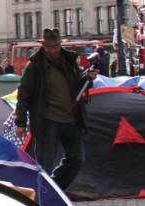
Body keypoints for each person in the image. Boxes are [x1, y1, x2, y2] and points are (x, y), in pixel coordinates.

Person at [15, 28, 96, 190]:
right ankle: (41, 194)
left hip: (71, 118)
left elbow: (77, 86)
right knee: (45, 163)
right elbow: (23, 95)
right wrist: (21, 122)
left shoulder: (70, 61)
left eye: (55, 46)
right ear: (43, 47)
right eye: (49, 47)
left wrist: (88, 78)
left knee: (76, 159)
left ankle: (55, 189)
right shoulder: (35, 66)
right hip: (47, 120)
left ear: (60, 45)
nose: (53, 50)